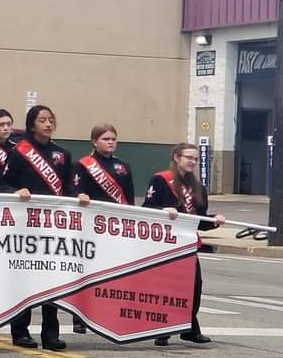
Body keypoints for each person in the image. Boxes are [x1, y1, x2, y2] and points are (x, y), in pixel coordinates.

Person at [3, 105, 72, 350]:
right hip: (25, 224)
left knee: (52, 277)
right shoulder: (19, 151)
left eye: (51, 120)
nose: (48, 124)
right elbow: (3, 184)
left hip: (53, 225)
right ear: (32, 124)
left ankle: (50, 334)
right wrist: (15, 192)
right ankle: (20, 331)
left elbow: (68, 189)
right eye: (42, 120)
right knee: (25, 277)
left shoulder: (62, 154)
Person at [144, 143, 225, 346]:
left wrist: (214, 220)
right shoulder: (161, 180)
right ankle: (162, 329)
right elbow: (147, 209)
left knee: (194, 286)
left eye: (195, 159)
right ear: (176, 157)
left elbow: (199, 220)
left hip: (188, 243)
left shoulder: (199, 188)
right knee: (166, 288)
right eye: (188, 157)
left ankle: (189, 328)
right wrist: (163, 210)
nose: (192, 161)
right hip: (166, 242)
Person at [69, 124, 136, 333]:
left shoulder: (123, 167)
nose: (110, 142)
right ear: (94, 141)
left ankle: (105, 315)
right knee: (87, 273)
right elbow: (74, 192)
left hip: (114, 227)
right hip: (91, 227)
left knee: (111, 272)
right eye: (106, 139)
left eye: (113, 139)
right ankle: (79, 316)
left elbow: (129, 201)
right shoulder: (83, 165)